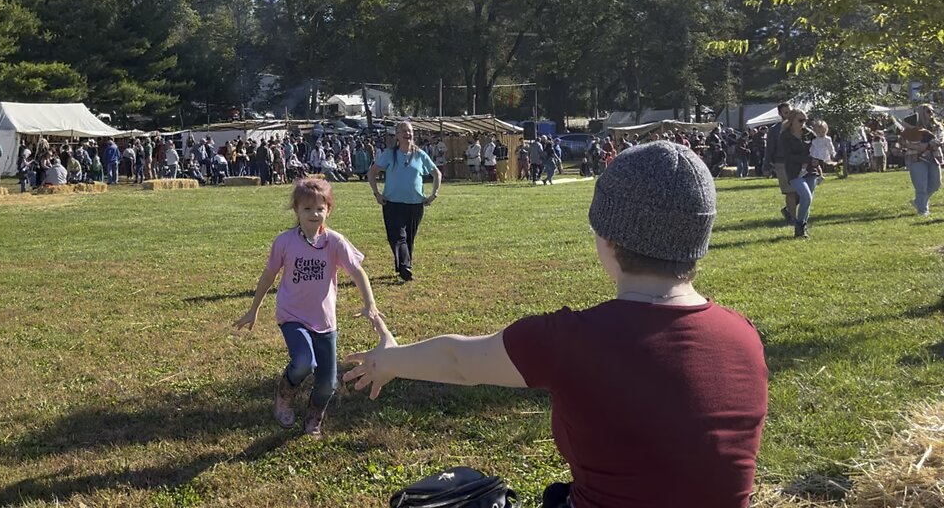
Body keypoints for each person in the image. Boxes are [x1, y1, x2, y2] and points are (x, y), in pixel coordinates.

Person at [345, 141, 768, 508]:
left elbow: (459, 361)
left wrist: (390, 362)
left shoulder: (572, 340)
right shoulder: (744, 337)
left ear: (608, 238)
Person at [233, 179, 382, 437]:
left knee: (327, 383)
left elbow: (357, 272)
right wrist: (253, 308)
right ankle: (285, 393)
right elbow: (269, 275)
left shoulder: (334, 242)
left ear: (328, 210)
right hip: (292, 316)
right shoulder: (285, 242)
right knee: (303, 362)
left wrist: (370, 303)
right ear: (296, 211)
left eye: (319, 209)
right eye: (307, 209)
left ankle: (314, 416)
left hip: (325, 321)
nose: (314, 214)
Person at [368, 120, 442, 282]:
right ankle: (404, 266)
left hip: (415, 204)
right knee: (397, 236)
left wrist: (434, 194)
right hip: (392, 204)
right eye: (403, 131)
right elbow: (372, 173)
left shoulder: (420, 155)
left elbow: (437, 173)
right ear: (397, 135)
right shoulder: (389, 154)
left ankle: (403, 266)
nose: (407, 134)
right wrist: (377, 194)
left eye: (409, 131)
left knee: (409, 238)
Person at [900, 104, 943, 216]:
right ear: (919, 113)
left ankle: (918, 202)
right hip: (916, 158)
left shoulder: (937, 126)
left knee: (936, 184)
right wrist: (917, 147)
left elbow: (940, 139)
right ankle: (923, 210)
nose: (931, 113)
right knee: (921, 186)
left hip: (933, 157)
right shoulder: (910, 127)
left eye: (931, 111)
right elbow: (903, 142)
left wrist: (930, 144)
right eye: (928, 111)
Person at [780, 109, 815, 238]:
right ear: (792, 120)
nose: (803, 123)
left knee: (807, 201)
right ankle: (799, 225)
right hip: (794, 172)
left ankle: (801, 229)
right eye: (800, 120)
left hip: (811, 171)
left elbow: (818, 147)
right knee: (806, 197)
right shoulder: (785, 136)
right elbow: (788, 156)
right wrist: (807, 159)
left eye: (805, 120)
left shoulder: (809, 134)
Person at [763, 102, 798, 223]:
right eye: (786, 112)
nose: (789, 114)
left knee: (802, 192)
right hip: (782, 163)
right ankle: (794, 219)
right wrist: (766, 167)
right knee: (790, 192)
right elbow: (769, 150)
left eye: (791, 111)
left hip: (797, 163)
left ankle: (788, 210)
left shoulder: (799, 126)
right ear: (780, 114)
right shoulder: (774, 130)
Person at [807, 119, 837, 183]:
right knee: (816, 166)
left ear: (826, 130)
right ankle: (819, 176)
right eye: (819, 132)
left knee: (822, 165)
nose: (821, 134)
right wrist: (810, 153)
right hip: (816, 155)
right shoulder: (815, 139)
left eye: (823, 132)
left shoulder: (827, 139)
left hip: (823, 155)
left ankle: (821, 175)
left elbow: (830, 147)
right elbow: (812, 147)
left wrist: (832, 153)